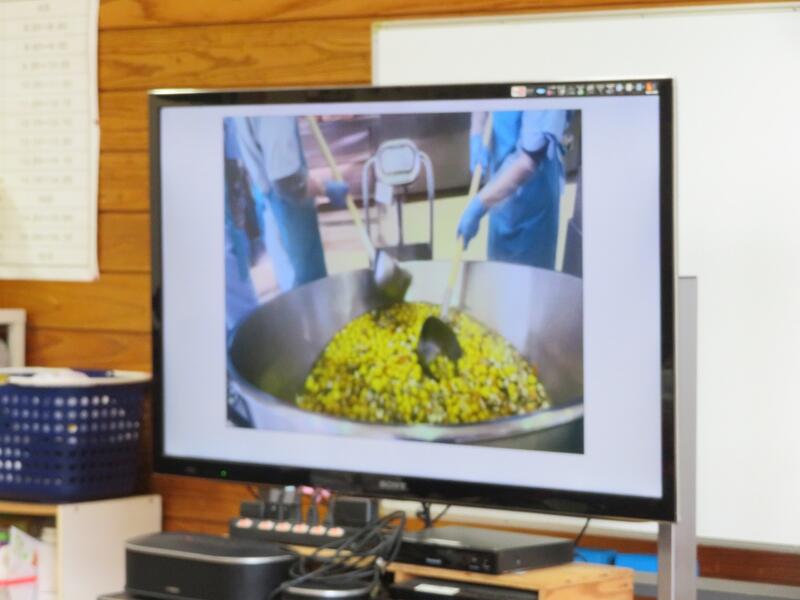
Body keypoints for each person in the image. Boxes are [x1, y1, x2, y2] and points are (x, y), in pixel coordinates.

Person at [232, 116, 349, 292]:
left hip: (266, 194)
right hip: (287, 204)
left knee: (292, 285)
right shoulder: (274, 114)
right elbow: (288, 181)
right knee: (310, 288)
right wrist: (326, 189)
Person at [458, 110, 569, 270]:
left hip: (532, 199)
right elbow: (481, 101)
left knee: (529, 277)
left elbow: (528, 162)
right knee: (498, 269)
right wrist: (476, 134)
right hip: (499, 188)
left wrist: (479, 205)